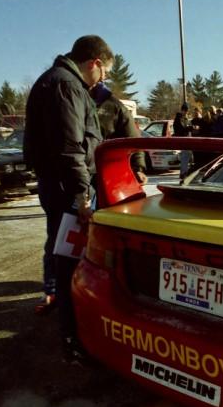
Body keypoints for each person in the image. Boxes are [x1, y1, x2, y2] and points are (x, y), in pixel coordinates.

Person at [23, 34, 113, 364]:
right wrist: (82, 197)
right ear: (95, 63)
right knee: (71, 264)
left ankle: (73, 332)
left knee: (67, 259)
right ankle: (76, 340)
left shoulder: (55, 80)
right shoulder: (67, 86)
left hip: (59, 186)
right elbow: (71, 148)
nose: (102, 80)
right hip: (67, 190)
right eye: (104, 73)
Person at [91, 81, 147, 182]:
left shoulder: (113, 105)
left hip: (104, 172)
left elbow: (133, 137)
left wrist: (138, 168)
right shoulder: (71, 97)